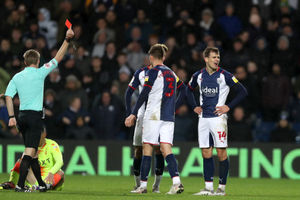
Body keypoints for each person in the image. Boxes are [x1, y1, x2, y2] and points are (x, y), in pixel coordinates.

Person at [4, 27, 74, 192]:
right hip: (34, 117)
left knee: (33, 153)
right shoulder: (40, 72)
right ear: (38, 61)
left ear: (25, 62)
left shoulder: (17, 76)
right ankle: (20, 185)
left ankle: (41, 184)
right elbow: (58, 57)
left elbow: (8, 96)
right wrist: (67, 40)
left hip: (21, 117)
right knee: (29, 153)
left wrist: (11, 116)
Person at [186, 47, 247, 196]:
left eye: (218, 57)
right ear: (205, 58)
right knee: (206, 152)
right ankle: (208, 188)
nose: (216, 60)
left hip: (218, 119)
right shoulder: (198, 75)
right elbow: (188, 90)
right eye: (213, 57)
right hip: (203, 119)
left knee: (221, 152)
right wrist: (194, 106)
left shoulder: (225, 75)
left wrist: (228, 106)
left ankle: (221, 188)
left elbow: (243, 91)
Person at [125, 44, 185, 194]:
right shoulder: (172, 73)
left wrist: (133, 113)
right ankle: (176, 182)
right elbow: (184, 89)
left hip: (153, 115)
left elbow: (144, 93)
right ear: (164, 57)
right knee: (166, 148)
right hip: (168, 117)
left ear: (151, 57)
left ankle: (143, 186)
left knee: (147, 147)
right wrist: (174, 107)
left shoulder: (152, 72)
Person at [125, 64, 165, 193]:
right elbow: (128, 92)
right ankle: (138, 184)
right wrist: (129, 114)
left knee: (159, 149)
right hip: (142, 115)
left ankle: (156, 186)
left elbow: (179, 89)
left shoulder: (166, 73)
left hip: (158, 115)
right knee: (138, 149)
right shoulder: (140, 73)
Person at [0, 127, 64, 191]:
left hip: (49, 178)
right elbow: (23, 164)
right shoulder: (31, 146)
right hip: (34, 179)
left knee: (60, 172)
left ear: (44, 134)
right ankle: (12, 183)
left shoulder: (52, 144)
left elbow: (60, 162)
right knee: (20, 162)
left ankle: (45, 186)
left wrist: (51, 173)